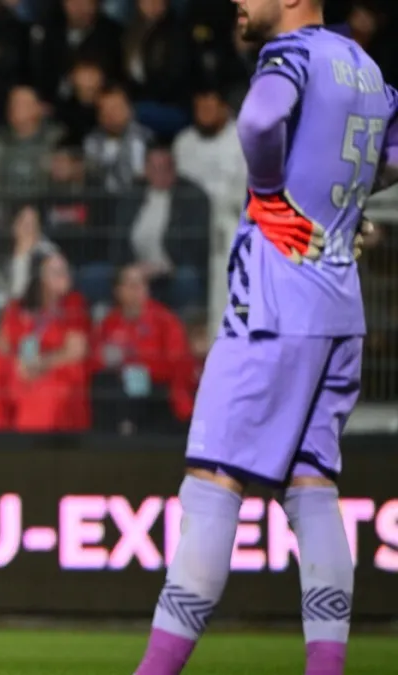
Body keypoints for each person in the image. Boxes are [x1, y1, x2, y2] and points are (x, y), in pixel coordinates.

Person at [132, 2, 398, 675]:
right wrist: (343, 208)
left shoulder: (293, 55)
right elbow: (391, 157)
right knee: (313, 489)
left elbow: (257, 119)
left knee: (211, 483)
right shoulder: (366, 68)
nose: (238, 2)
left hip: (276, 303)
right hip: (340, 307)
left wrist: (274, 195)